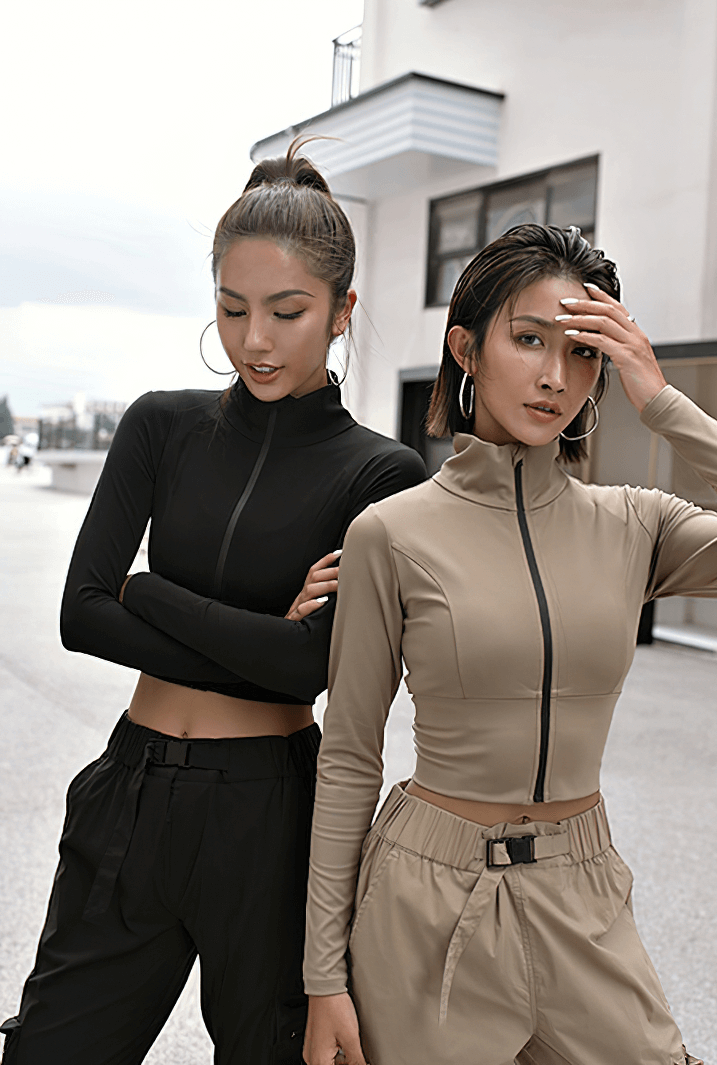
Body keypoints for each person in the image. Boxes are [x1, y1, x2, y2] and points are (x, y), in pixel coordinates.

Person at [301, 223, 717, 1065]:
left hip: (583, 890)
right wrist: (323, 976)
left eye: (583, 353)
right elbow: (350, 752)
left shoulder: (635, 522)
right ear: (466, 347)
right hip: (426, 898)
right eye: (528, 339)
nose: (553, 377)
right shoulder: (391, 533)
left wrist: (662, 401)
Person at [0, 143, 427, 1065]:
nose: (255, 340)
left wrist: (150, 592)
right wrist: (259, 636)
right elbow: (80, 613)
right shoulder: (161, 424)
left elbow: (310, 669)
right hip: (133, 791)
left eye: (287, 312)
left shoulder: (381, 475)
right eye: (233, 311)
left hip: (272, 815)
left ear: (342, 311)